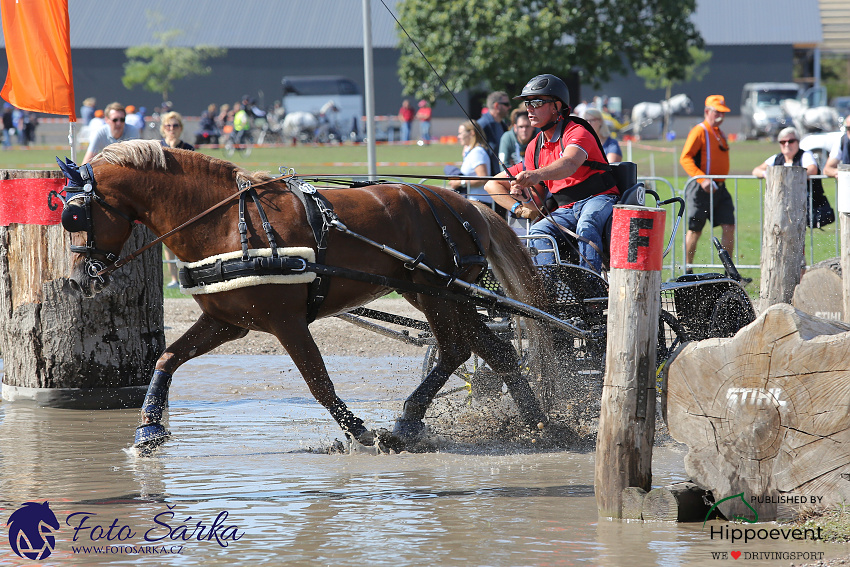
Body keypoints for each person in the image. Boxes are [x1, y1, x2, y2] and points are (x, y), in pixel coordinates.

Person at [483, 74, 619, 272]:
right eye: (527, 103)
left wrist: (536, 175)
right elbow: (535, 206)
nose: (529, 109)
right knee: (538, 231)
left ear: (557, 106)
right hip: (565, 209)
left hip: (598, 198)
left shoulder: (577, 131)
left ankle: (591, 284)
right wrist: (523, 198)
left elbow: (570, 163)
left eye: (537, 103)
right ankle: (551, 285)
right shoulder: (533, 148)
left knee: (587, 224)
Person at [679, 95, 735, 273]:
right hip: (701, 188)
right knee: (695, 229)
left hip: (720, 187)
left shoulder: (719, 133)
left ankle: (729, 273)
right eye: (717, 112)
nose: (721, 116)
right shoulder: (699, 131)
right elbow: (685, 158)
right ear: (707, 112)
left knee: (729, 226)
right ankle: (687, 270)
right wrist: (702, 179)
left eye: (723, 113)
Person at [159, 111, 195, 288]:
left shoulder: (188, 148)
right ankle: (173, 278)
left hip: (183, 199)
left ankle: (187, 275)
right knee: (168, 240)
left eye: (175, 126)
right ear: (163, 128)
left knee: (186, 239)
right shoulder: (158, 147)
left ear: (180, 128)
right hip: (164, 200)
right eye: (168, 126)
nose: (171, 129)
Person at [445, 120, 492, 203]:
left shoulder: (477, 152)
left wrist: (460, 183)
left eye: (460, 133)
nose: (458, 136)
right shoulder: (472, 151)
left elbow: (483, 179)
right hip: (475, 200)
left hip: (480, 201)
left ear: (471, 133)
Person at [477, 91, 511, 175]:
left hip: (501, 175)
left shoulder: (502, 125)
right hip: (489, 177)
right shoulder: (482, 125)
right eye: (506, 104)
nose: (509, 107)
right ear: (496, 105)